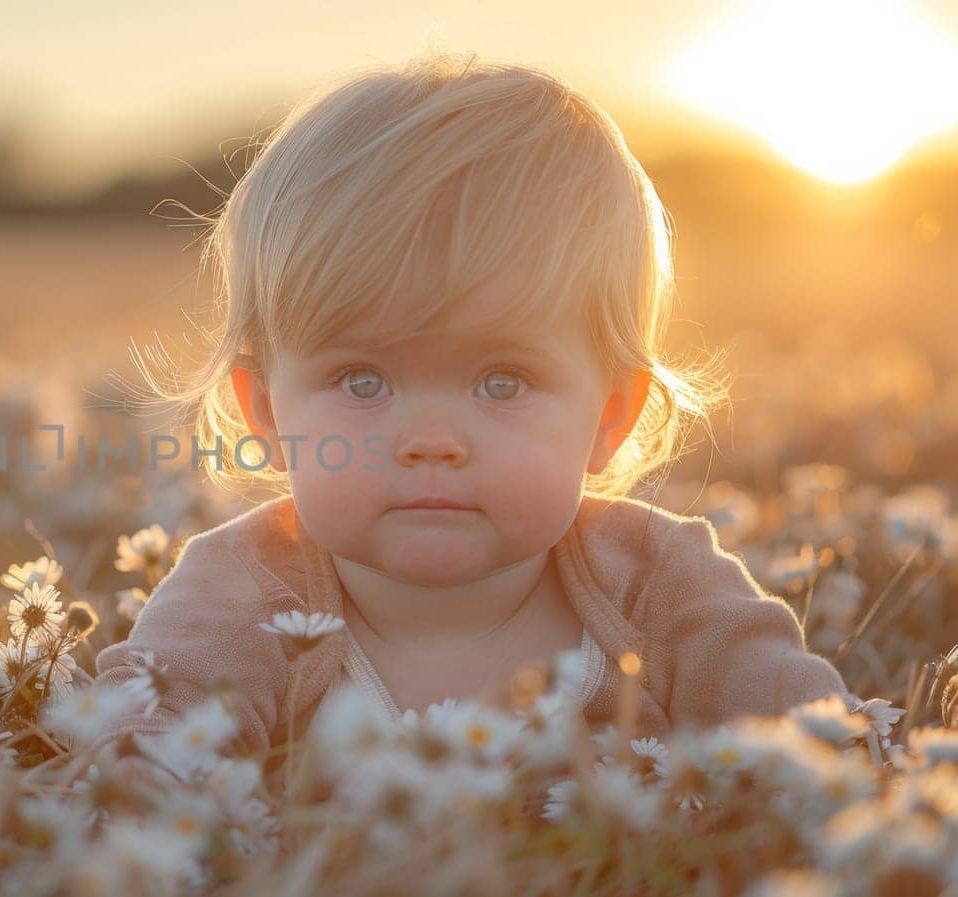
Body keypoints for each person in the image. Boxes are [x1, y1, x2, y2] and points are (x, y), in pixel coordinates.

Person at [91, 49, 851, 776]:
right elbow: (130, 769)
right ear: (265, 415)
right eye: (361, 381)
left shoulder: (660, 584)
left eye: (502, 382)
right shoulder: (241, 593)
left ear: (610, 414)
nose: (431, 441)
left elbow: (831, 759)